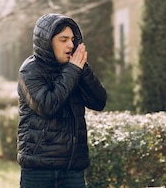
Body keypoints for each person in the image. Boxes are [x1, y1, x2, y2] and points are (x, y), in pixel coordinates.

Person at [17, 13, 107, 188]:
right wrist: (73, 70)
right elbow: (48, 106)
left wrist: (83, 69)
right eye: (63, 39)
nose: (70, 45)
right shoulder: (29, 71)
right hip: (39, 170)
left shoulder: (73, 68)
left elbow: (99, 102)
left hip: (73, 170)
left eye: (73, 40)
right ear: (47, 42)